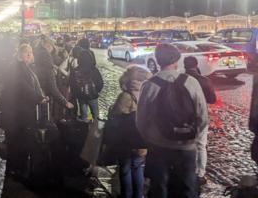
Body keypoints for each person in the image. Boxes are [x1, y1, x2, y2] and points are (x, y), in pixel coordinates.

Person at [137, 43, 208, 198]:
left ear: (157, 60)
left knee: (159, 188)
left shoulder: (149, 85)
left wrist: (151, 138)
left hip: (159, 146)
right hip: (186, 146)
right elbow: (203, 117)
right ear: (177, 60)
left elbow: (141, 120)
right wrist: (194, 137)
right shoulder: (191, 82)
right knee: (187, 188)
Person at [0, 44, 49, 175]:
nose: (31, 55)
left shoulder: (21, 66)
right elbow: (23, 87)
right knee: (17, 140)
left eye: (31, 53)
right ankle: (16, 168)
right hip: (17, 111)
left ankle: (16, 167)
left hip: (18, 110)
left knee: (17, 139)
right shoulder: (17, 68)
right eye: (28, 53)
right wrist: (39, 98)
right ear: (22, 55)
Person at [108, 66, 151, 198]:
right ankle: (138, 195)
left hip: (125, 140)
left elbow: (115, 120)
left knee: (125, 168)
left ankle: (126, 195)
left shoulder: (125, 96)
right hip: (141, 139)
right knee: (137, 167)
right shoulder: (147, 94)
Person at [184, 56, 216, 186]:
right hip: (201, 116)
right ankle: (200, 173)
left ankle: (187, 171)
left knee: (186, 145)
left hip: (184, 117)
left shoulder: (180, 79)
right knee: (201, 145)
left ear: (185, 65)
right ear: (196, 65)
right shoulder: (204, 80)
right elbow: (212, 99)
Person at [34, 38, 74, 121]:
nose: (50, 49)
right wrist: (65, 102)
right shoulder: (47, 64)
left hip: (38, 96)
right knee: (45, 121)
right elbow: (52, 87)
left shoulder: (37, 59)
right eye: (49, 46)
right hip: (45, 97)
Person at [69, 49, 104, 121]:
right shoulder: (94, 69)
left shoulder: (75, 70)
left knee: (83, 115)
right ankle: (94, 129)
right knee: (95, 115)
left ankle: (84, 129)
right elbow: (100, 82)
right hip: (93, 96)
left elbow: (72, 84)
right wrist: (96, 90)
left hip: (81, 96)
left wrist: (77, 94)